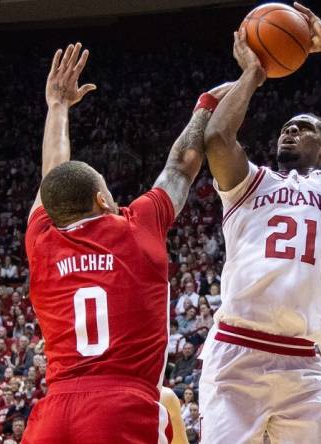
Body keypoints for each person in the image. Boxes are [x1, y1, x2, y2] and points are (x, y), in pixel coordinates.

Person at [21, 43, 231, 444]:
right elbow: (181, 165)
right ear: (103, 200)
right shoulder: (137, 227)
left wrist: (57, 107)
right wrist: (205, 108)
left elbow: (52, 174)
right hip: (120, 406)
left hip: (54, 412)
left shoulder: (41, 240)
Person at [198, 2, 321, 442]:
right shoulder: (249, 183)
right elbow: (216, 137)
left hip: (302, 361)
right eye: (286, 126)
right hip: (237, 351)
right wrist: (252, 74)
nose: (290, 130)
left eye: (304, 127)